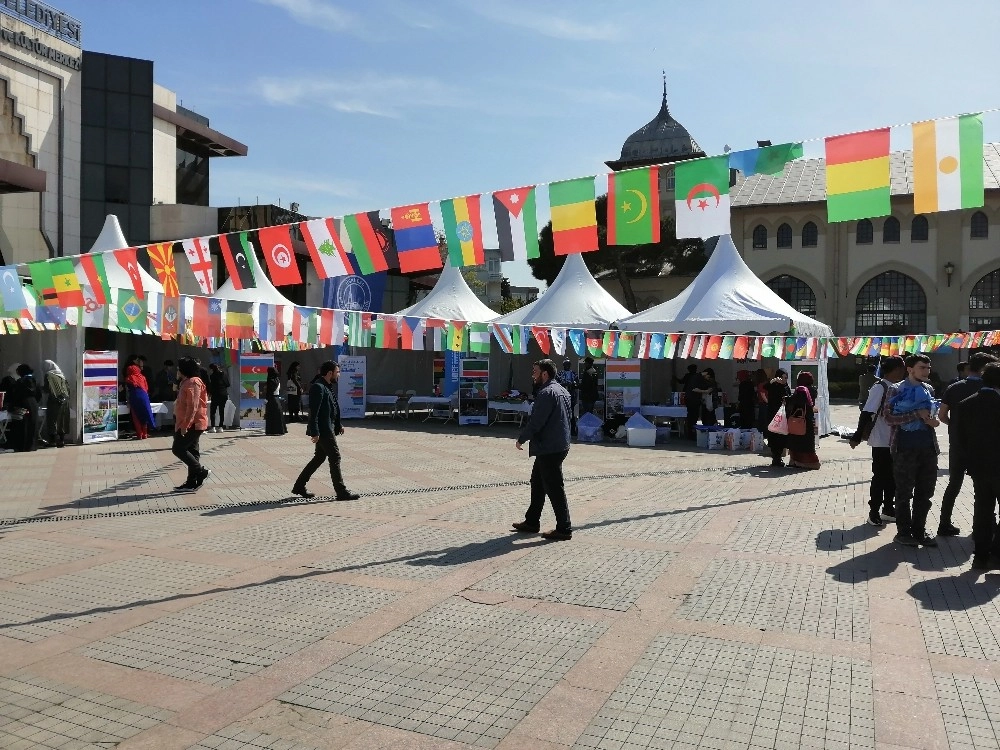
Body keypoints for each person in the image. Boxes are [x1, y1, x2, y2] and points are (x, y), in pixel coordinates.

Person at [881, 354, 941, 547]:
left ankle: (919, 530)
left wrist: (933, 421)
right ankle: (903, 532)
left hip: (928, 448)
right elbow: (888, 418)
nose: (926, 371)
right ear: (910, 369)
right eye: (922, 367)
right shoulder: (896, 389)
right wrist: (916, 414)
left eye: (928, 368)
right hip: (904, 448)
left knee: (925, 492)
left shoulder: (928, 389)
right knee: (904, 492)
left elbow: (932, 417)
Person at [937, 351, 997, 537]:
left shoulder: (954, 387)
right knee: (985, 492)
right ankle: (984, 528)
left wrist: (954, 425)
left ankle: (944, 523)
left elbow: (941, 415)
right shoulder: (992, 388)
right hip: (984, 449)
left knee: (954, 484)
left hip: (958, 443)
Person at [511, 359, 573, 541]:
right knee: (537, 482)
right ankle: (531, 521)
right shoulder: (563, 391)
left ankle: (564, 528)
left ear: (544, 374)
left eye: (535, 371)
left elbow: (537, 422)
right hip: (558, 444)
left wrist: (522, 438)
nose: (533, 375)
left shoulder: (546, 393)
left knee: (554, 487)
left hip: (549, 447)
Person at [954, 362, 1000, 570]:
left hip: (978, 467)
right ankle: (996, 555)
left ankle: (980, 556)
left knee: (983, 511)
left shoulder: (965, 404)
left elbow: (959, 438)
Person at [851, 355, 906, 528]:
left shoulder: (897, 387)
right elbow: (867, 412)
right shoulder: (880, 387)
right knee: (880, 477)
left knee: (892, 477)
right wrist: (857, 435)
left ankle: (889, 509)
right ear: (895, 369)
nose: (904, 371)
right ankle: (873, 511)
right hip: (881, 439)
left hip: (895, 440)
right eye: (902, 368)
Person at [292, 360, 358, 500]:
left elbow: (331, 408)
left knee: (319, 458)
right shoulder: (318, 387)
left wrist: (338, 425)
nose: (339, 375)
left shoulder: (326, 386)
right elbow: (314, 412)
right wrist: (315, 432)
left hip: (328, 428)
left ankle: (299, 486)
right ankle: (341, 491)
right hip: (324, 430)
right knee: (335, 457)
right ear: (330, 373)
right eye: (337, 372)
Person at [171, 357, 210, 491]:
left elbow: (192, 406)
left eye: (179, 368)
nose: (177, 370)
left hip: (192, 424)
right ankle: (192, 482)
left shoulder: (193, 382)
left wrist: (185, 426)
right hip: (187, 423)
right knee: (193, 451)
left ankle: (201, 471)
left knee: (178, 449)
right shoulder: (186, 382)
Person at [786, 372, 820, 469]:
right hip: (808, 420)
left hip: (799, 420)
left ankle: (800, 462)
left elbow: (797, 402)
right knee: (808, 442)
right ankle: (806, 462)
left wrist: (788, 400)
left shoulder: (801, 390)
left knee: (798, 441)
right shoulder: (813, 390)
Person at [7, 364, 41, 452]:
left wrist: (11, 406)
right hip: (33, 404)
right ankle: (33, 445)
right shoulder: (35, 380)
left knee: (23, 425)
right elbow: (39, 395)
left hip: (23, 404)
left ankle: (23, 446)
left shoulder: (20, 381)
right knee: (33, 425)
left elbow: (16, 395)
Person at [124, 354, 155, 439]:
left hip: (134, 398)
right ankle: (145, 434)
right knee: (144, 415)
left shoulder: (128, 378)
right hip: (144, 397)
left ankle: (139, 434)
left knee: (136, 417)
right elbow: (147, 388)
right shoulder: (143, 377)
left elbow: (127, 390)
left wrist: (128, 401)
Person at [765, 370, 791, 467]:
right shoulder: (773, 386)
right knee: (773, 436)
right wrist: (773, 381)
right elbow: (765, 387)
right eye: (783, 377)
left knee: (781, 436)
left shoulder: (785, 387)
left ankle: (778, 457)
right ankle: (775, 458)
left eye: (786, 378)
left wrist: (783, 385)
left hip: (782, 416)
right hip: (773, 415)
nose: (784, 380)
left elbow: (788, 396)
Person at [41, 359, 70, 448]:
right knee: (62, 420)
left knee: (52, 420)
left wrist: (39, 388)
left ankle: (52, 442)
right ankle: (61, 441)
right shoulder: (61, 375)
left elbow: (47, 389)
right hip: (64, 401)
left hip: (54, 401)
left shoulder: (49, 375)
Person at [556, 358, 580, 436]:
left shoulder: (574, 374)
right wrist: (565, 384)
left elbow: (577, 384)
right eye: (566, 364)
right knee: (562, 412)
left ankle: (572, 430)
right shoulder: (559, 374)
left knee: (572, 413)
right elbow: (557, 384)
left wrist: (572, 384)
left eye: (568, 365)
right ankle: (562, 430)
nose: (567, 366)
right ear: (563, 365)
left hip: (571, 395)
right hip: (562, 395)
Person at [207, 363, 230, 433]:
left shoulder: (212, 376)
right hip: (223, 394)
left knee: (213, 411)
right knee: (221, 411)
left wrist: (209, 394)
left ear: (211, 369)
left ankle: (213, 427)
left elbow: (211, 386)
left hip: (215, 395)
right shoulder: (224, 374)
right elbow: (228, 384)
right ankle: (221, 427)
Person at [264, 366, 286, 435]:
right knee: (278, 416)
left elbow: (269, 391)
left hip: (271, 399)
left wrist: (266, 399)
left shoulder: (270, 380)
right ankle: (280, 430)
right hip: (277, 399)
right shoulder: (277, 380)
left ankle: (271, 430)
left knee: (271, 415)